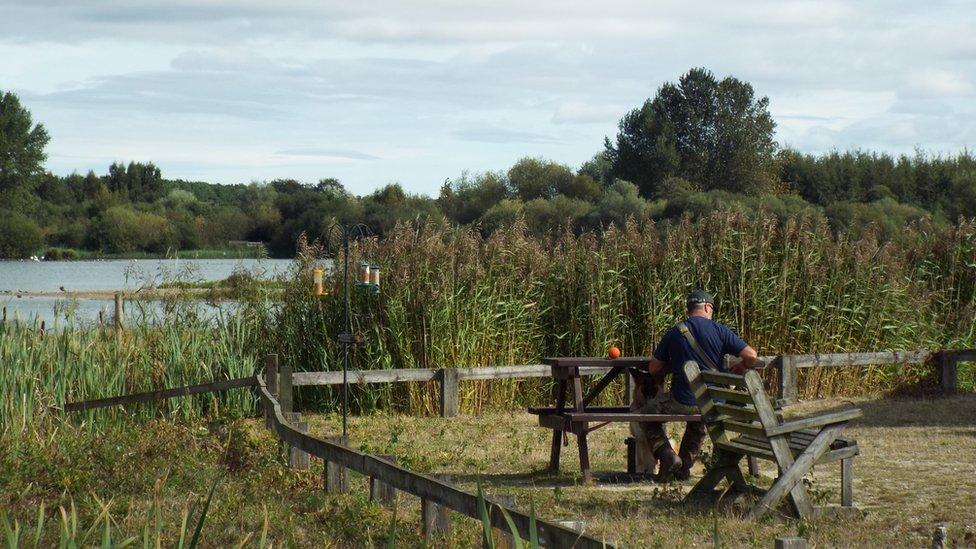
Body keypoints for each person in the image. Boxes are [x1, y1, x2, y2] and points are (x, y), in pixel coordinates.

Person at [645, 289, 762, 480]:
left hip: (682, 400)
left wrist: (674, 364)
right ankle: (683, 467)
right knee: (701, 418)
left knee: (647, 413)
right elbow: (751, 356)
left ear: (690, 309)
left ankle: (667, 456)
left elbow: (654, 369)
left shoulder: (675, 332)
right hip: (714, 402)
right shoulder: (720, 330)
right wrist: (741, 366)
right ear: (707, 307)